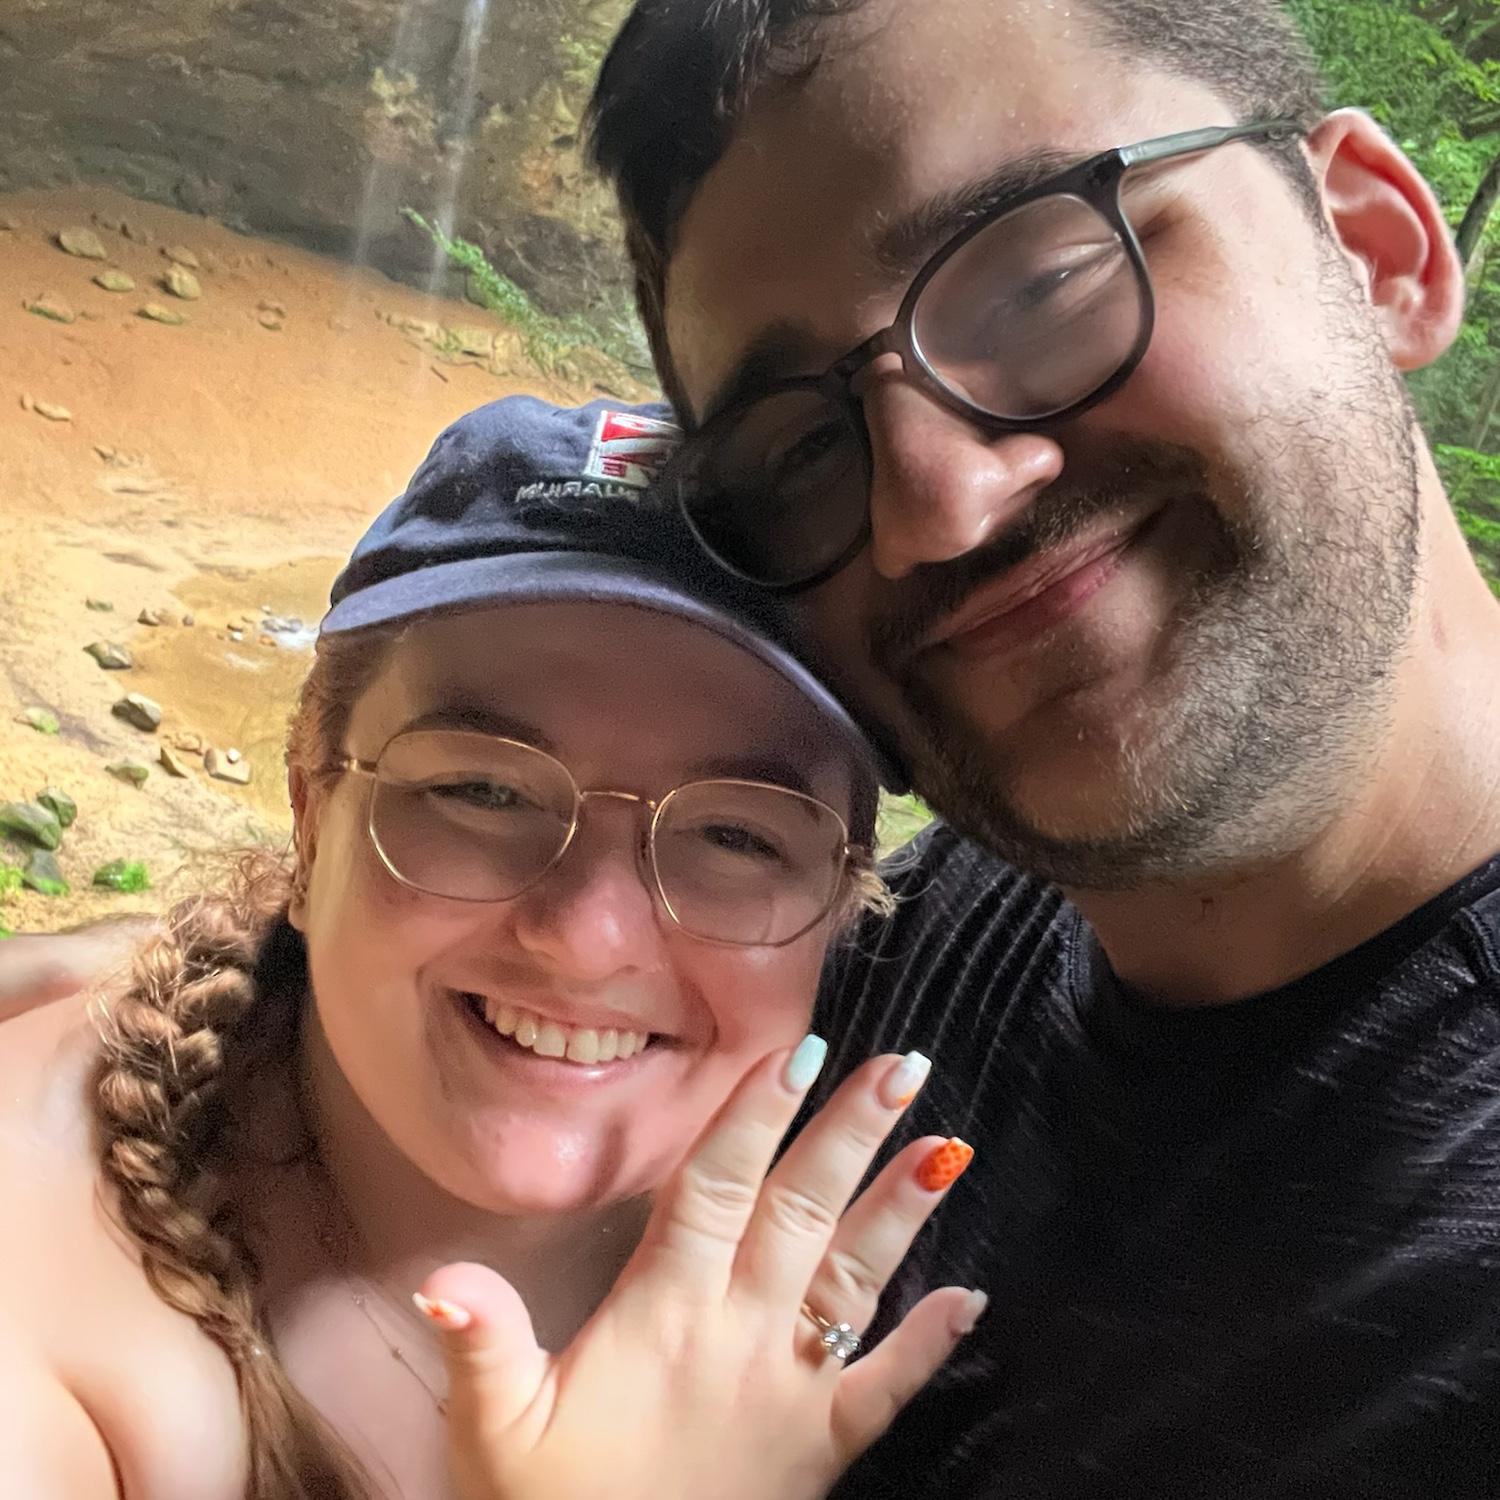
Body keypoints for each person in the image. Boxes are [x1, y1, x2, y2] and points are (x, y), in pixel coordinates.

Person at [587, 2, 1500, 1496]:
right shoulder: (916, 933)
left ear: (1376, 249)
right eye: (804, 448)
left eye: (1038, 283)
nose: (934, 506)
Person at [0, 396, 985, 1499]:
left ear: (844, 900)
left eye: (736, 836)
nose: (586, 940)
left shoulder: (913, 1195)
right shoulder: (39, 1277)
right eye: (481, 790)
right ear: (312, 813)